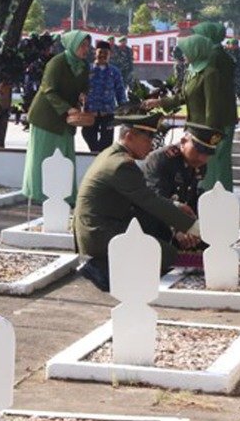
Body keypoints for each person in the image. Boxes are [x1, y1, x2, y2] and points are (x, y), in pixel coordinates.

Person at [72, 109, 198, 291]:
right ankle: (101, 267)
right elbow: (149, 201)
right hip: (98, 234)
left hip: (103, 224)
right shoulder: (121, 165)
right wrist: (194, 227)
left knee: (159, 228)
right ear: (130, 136)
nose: (152, 146)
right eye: (148, 140)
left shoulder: (113, 154)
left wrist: (176, 206)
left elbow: (144, 196)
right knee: (167, 254)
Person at [147, 32, 238, 191]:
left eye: (187, 51)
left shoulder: (210, 73)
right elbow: (183, 96)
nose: (184, 55)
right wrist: (159, 102)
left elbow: (212, 106)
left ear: (196, 50)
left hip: (204, 131)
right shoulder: (192, 70)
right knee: (190, 165)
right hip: (192, 128)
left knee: (203, 166)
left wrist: (210, 135)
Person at [21, 29, 91, 203]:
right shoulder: (57, 63)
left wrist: (83, 95)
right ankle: (38, 194)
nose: (85, 49)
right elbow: (48, 89)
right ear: (72, 45)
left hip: (67, 118)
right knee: (43, 157)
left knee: (64, 155)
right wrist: (68, 109)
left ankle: (65, 195)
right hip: (46, 116)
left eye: (87, 46)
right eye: (82, 45)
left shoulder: (83, 66)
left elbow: (83, 86)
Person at [83, 40, 128, 154]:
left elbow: (120, 90)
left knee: (107, 142)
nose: (102, 55)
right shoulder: (87, 70)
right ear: (95, 52)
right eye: (100, 52)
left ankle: (100, 156)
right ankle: (95, 153)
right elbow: (79, 88)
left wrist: (124, 107)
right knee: (87, 134)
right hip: (90, 111)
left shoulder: (114, 72)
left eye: (105, 53)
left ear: (110, 55)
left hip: (108, 112)